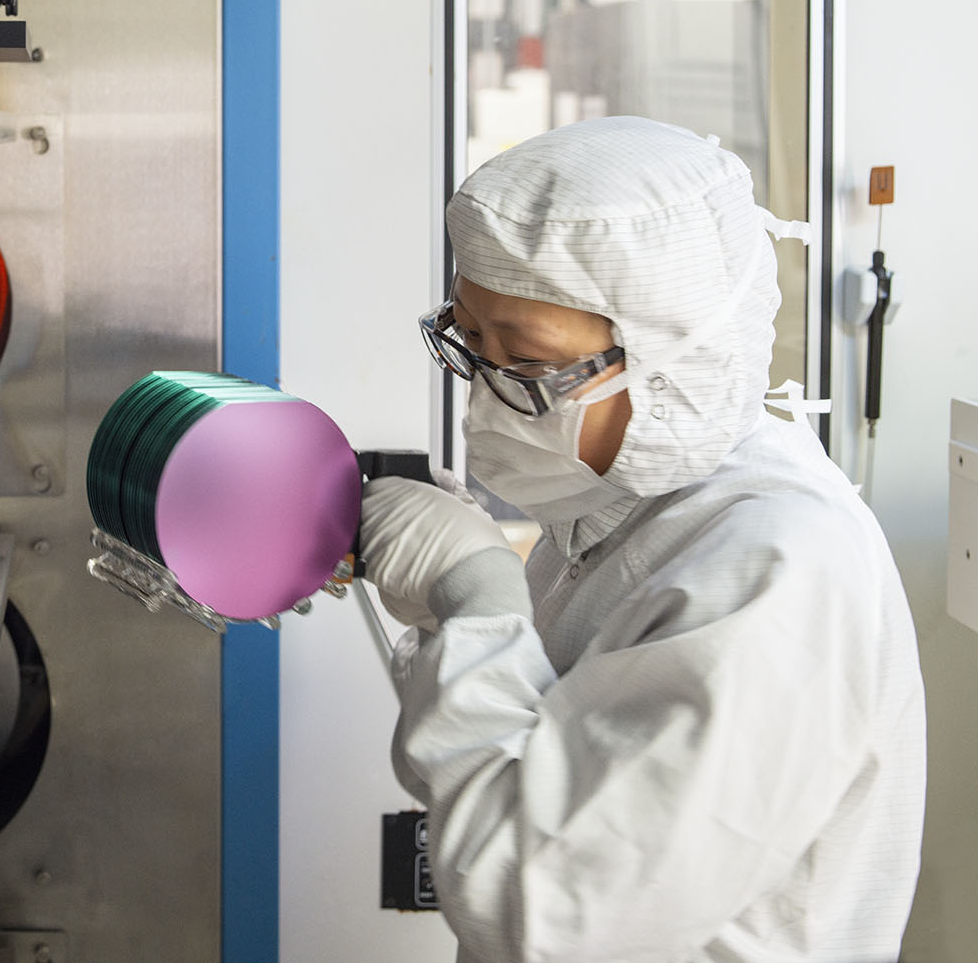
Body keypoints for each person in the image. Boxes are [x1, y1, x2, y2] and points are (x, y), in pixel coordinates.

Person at [357, 116, 926, 962]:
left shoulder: (779, 567)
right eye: (470, 342)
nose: (485, 396)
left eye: (529, 363)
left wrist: (477, 598)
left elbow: (548, 918)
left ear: (671, 363)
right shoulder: (619, 505)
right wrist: (456, 614)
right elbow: (531, 759)